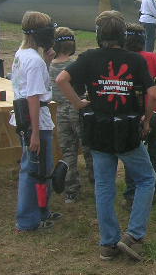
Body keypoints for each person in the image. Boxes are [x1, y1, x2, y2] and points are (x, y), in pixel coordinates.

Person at [56, 11, 156, 261]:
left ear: (99, 35)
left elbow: (61, 79)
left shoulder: (89, 58)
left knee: (104, 186)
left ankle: (108, 243)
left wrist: (80, 104)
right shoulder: (135, 60)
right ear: (123, 36)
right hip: (126, 132)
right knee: (146, 179)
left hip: (97, 131)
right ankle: (134, 235)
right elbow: (154, 95)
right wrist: (146, 119)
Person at [11, 11, 61, 232]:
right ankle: (28, 220)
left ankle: (42, 211)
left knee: (42, 170)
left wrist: (47, 62)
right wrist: (35, 133)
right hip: (36, 121)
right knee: (32, 171)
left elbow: (36, 86)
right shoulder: (32, 60)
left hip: (32, 119)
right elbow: (33, 97)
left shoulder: (25, 54)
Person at [122, 23, 156, 208]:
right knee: (153, 152)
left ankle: (130, 194)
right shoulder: (150, 57)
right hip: (151, 113)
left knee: (130, 153)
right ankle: (154, 191)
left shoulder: (122, 58)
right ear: (143, 40)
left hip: (128, 114)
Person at [49, 26, 93, 204]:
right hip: (78, 108)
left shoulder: (51, 65)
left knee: (68, 151)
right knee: (89, 148)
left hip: (61, 111)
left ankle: (71, 190)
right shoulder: (73, 65)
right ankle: (97, 182)